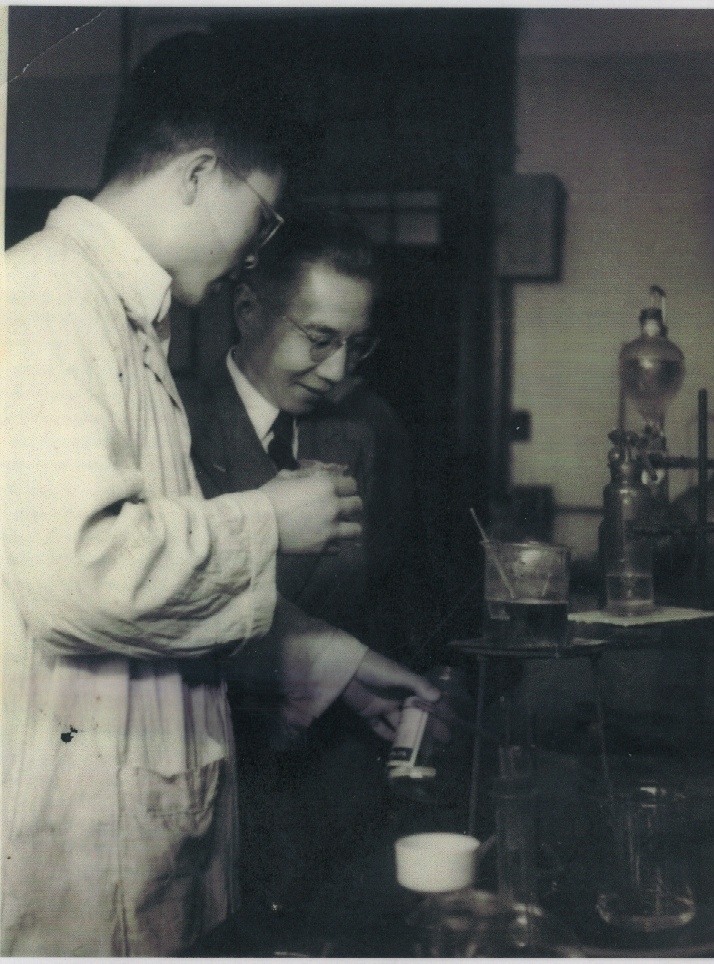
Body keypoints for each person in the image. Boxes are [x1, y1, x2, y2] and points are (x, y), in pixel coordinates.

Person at [0, 33, 439, 957]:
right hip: (82, 856)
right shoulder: (41, 298)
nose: (254, 251)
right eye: (263, 218)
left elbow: (163, 590)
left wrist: (338, 664)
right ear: (201, 174)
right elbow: (87, 576)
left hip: (143, 833)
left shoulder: (121, 319)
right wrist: (268, 518)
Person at [177, 208, 444, 921]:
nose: (336, 371)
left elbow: (389, 597)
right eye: (319, 339)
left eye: (356, 345)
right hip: (211, 774)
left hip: (337, 780)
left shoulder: (367, 429)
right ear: (246, 310)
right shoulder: (175, 423)